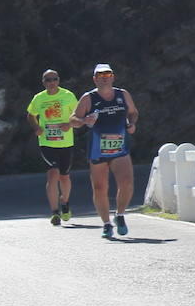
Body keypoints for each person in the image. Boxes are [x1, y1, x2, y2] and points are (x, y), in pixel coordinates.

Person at [69, 64, 139, 240]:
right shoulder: (88, 98)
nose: (104, 77)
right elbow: (72, 119)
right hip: (97, 148)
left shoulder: (123, 94)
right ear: (94, 79)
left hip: (120, 147)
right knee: (100, 188)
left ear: (113, 77)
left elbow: (133, 112)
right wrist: (84, 120)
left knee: (127, 184)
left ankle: (120, 215)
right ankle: (106, 224)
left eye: (107, 74)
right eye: (100, 75)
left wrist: (131, 124)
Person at [26, 68, 78, 225]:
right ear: (43, 82)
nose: (51, 82)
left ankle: (65, 203)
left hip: (66, 142)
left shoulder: (68, 96)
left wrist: (69, 124)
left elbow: (77, 116)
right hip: (47, 142)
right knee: (53, 173)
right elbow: (30, 115)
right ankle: (55, 212)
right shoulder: (38, 98)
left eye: (54, 79)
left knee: (64, 176)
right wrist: (36, 128)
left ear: (58, 80)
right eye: (48, 80)